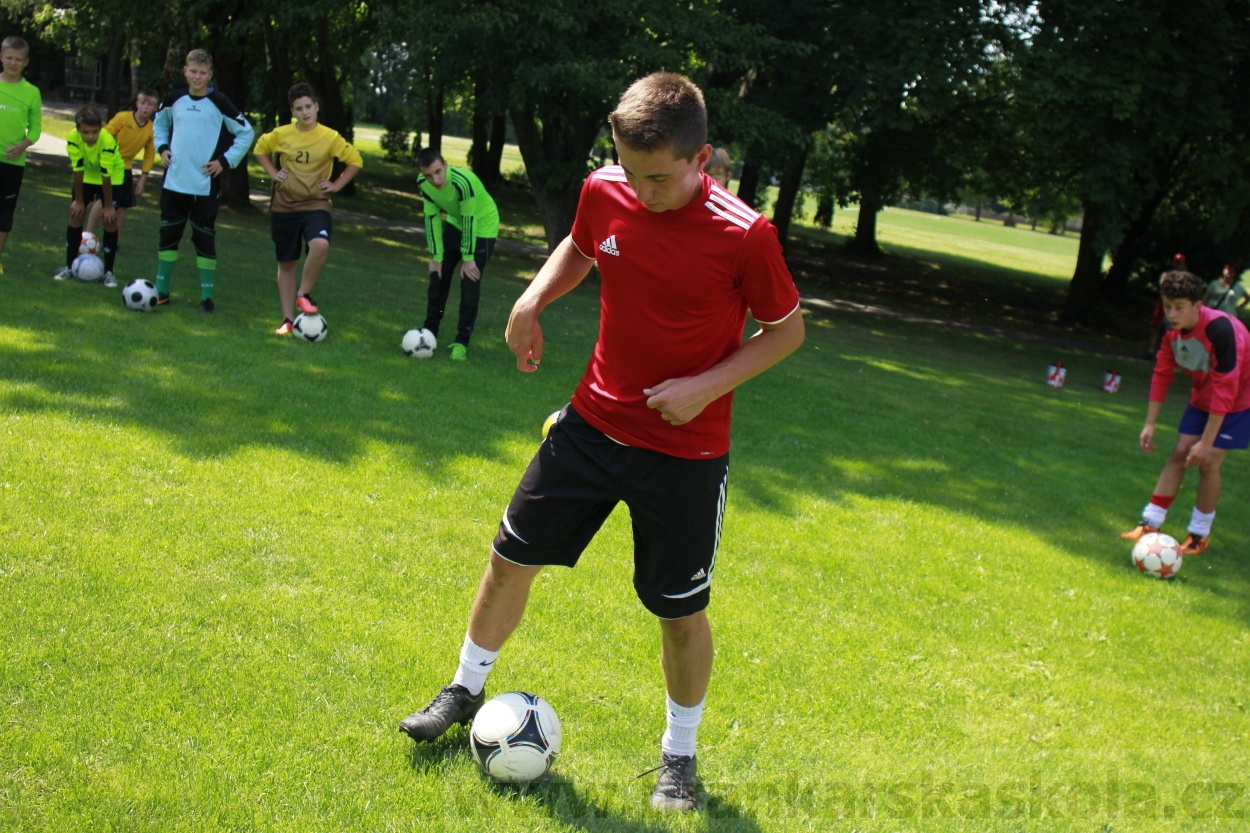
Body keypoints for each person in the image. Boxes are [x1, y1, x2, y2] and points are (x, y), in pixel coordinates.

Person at [398, 72, 805, 812]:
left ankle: (679, 755)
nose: (641, 190)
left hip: (685, 452)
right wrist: (531, 298)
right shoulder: (605, 188)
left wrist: (705, 385)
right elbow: (582, 248)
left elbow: (788, 331)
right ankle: (463, 688)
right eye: (629, 169)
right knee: (508, 555)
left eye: (660, 177)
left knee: (678, 611)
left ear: (701, 158)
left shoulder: (744, 233)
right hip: (591, 423)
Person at [1121, 270, 1250, 556]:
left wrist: (1206, 442)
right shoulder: (1170, 331)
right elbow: (1162, 374)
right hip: (1203, 396)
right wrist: (1150, 423)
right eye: (1168, 306)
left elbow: (1226, 391)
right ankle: (1150, 524)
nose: (1172, 313)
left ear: (1198, 305)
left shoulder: (1221, 331)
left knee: (1208, 461)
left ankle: (1198, 535)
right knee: (1180, 451)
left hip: (1240, 400)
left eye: (1179, 307)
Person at [152, 48, 255, 313]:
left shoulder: (220, 102)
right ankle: (161, 291)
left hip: (204, 187)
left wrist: (224, 161)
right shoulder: (174, 98)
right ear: (185, 71)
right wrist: (162, 147)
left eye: (203, 73)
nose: (197, 77)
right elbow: (159, 124)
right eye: (193, 71)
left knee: (204, 239)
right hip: (174, 183)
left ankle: (207, 298)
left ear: (210, 74)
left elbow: (246, 133)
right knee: (168, 236)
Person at [254, 82, 362, 334]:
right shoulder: (281, 134)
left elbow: (355, 160)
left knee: (321, 244)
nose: (304, 113)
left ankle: (304, 294)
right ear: (293, 111)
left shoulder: (330, 137)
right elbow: (260, 148)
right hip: (284, 206)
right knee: (287, 263)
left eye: (308, 107)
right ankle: (288, 320)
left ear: (316, 107)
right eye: (299, 109)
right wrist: (272, 172)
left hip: (316, 204)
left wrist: (335, 184)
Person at [415, 148, 499, 360]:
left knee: (469, 281)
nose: (435, 179)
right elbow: (431, 218)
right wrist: (436, 257)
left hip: (483, 226)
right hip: (456, 222)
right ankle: (430, 332)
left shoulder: (462, 182)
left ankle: (462, 341)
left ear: (446, 164)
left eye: (438, 172)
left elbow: (470, 219)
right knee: (439, 276)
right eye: (428, 175)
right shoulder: (423, 184)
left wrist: (469, 258)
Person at [84, 89, 159, 262]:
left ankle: (113, 241)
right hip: (110, 162)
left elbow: (149, 154)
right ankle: (87, 235)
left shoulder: (151, 129)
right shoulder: (122, 117)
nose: (145, 108)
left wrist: (143, 178)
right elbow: (105, 133)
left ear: (155, 108)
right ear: (137, 104)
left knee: (123, 206)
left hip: (126, 167)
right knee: (104, 199)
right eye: (142, 103)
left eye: (150, 105)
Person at [52, 106, 123, 285]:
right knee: (76, 215)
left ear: (101, 128)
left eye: (94, 132)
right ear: (78, 130)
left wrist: (107, 206)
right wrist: (78, 200)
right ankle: (69, 267)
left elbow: (106, 174)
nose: (90, 136)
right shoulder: (73, 138)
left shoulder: (107, 140)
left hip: (112, 177)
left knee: (109, 220)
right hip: (87, 176)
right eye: (86, 132)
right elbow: (77, 169)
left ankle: (108, 272)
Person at [0, 35, 41, 263]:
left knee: (4, 214)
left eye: (18, 59)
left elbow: (35, 130)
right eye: (9, 58)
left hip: (12, 163)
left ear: (25, 62)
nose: (13, 63)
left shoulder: (32, 92)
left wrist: (23, 145)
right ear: (1, 57)